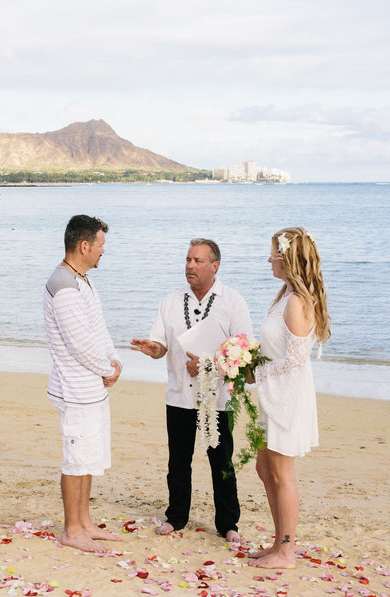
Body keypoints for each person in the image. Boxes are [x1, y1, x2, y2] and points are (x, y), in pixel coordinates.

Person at [130, 239, 252, 544]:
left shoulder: (233, 302)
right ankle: (176, 517)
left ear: (215, 266)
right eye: (187, 260)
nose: (190, 266)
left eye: (197, 261)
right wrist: (154, 348)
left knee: (222, 463)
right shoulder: (170, 301)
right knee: (178, 462)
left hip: (218, 400)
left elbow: (244, 354)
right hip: (179, 396)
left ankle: (228, 523)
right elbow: (161, 346)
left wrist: (210, 365)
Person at [248, 227, 330, 569]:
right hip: (272, 394)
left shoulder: (297, 302)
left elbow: (296, 360)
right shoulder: (284, 294)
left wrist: (253, 372)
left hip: (287, 398)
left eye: (273, 254)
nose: (269, 259)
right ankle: (278, 540)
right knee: (265, 467)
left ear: (287, 259)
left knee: (282, 473)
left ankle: (287, 551)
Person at [43, 214, 123, 553]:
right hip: (75, 388)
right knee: (76, 459)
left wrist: (113, 359)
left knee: (89, 456)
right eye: (101, 245)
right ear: (84, 245)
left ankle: (85, 522)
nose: (104, 251)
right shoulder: (63, 285)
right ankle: (71, 529)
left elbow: (97, 328)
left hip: (91, 387)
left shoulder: (83, 280)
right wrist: (107, 369)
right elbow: (77, 342)